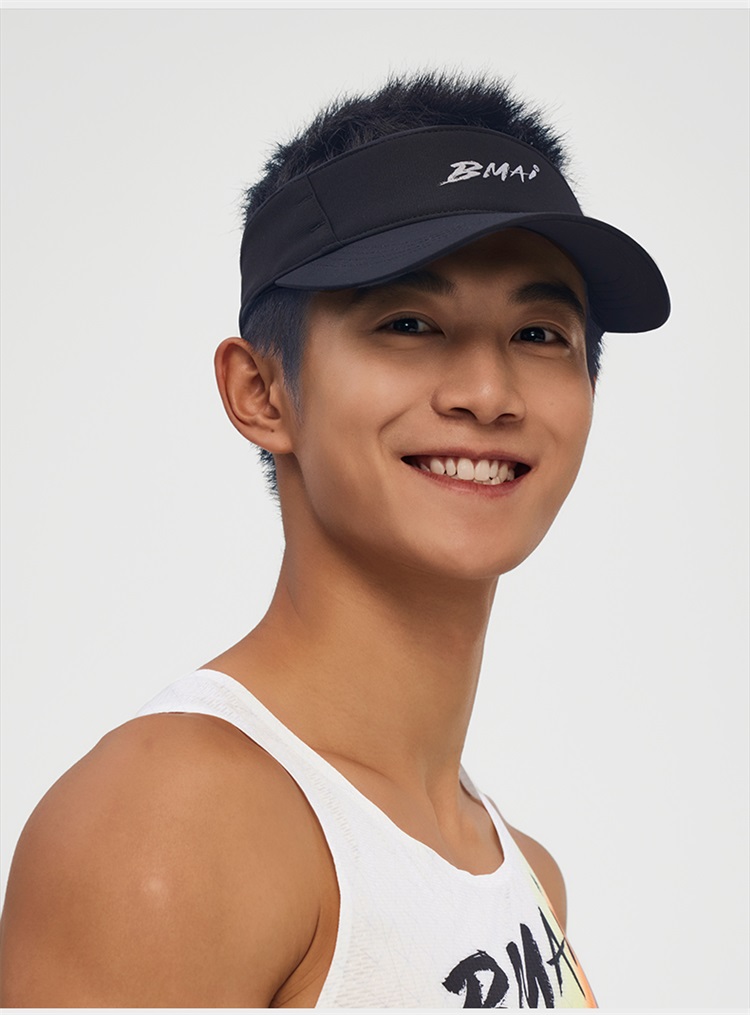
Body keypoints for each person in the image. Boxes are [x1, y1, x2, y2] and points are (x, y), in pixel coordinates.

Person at [0, 72, 669, 1008]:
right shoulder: (169, 827)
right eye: (409, 322)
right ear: (261, 393)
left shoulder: (526, 877)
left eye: (539, 333)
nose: (488, 392)